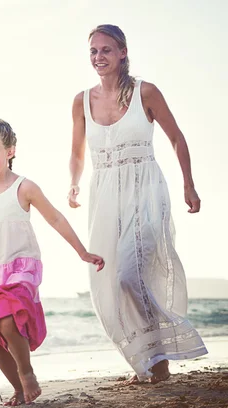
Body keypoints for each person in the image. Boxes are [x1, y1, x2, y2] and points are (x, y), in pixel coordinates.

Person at [67, 24, 207, 384]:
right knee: (110, 281)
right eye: (94, 51)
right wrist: (73, 184)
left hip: (145, 189)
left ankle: (158, 359)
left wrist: (188, 184)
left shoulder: (146, 92)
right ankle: (146, 359)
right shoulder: (81, 101)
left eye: (106, 50)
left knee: (132, 273)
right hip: (104, 196)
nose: (99, 57)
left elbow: (177, 138)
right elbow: (77, 152)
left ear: (123, 52)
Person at [0, 118, 104, 405]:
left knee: (6, 320)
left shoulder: (24, 187)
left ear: (10, 151)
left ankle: (27, 373)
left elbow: (55, 218)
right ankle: (18, 388)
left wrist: (82, 252)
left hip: (17, 265)